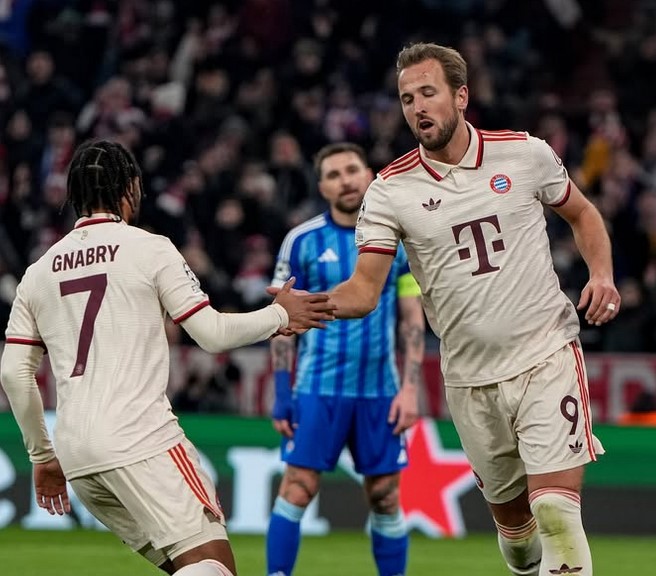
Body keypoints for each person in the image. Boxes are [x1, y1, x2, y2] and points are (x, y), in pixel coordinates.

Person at [288, 43, 621, 576]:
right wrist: (299, 309)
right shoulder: (390, 191)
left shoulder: (525, 154)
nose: (417, 107)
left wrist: (601, 276)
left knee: (555, 509)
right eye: (406, 99)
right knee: (517, 538)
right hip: (469, 377)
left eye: (428, 93)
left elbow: (583, 215)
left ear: (460, 96)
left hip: (546, 353)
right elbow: (365, 290)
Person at [0, 139, 335, 576]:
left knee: (190, 567)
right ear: (130, 190)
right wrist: (279, 315)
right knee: (214, 567)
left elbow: (13, 372)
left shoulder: (38, 272)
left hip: (78, 456)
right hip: (140, 440)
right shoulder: (149, 248)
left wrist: (42, 457)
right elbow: (211, 334)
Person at [265, 142, 425, 576]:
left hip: (380, 390)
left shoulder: (397, 240)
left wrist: (410, 390)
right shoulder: (301, 241)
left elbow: (412, 318)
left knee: (386, 495)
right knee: (298, 488)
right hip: (318, 388)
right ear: (322, 187)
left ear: (370, 174)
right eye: (334, 174)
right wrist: (283, 394)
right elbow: (282, 321)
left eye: (352, 170)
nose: (346, 180)